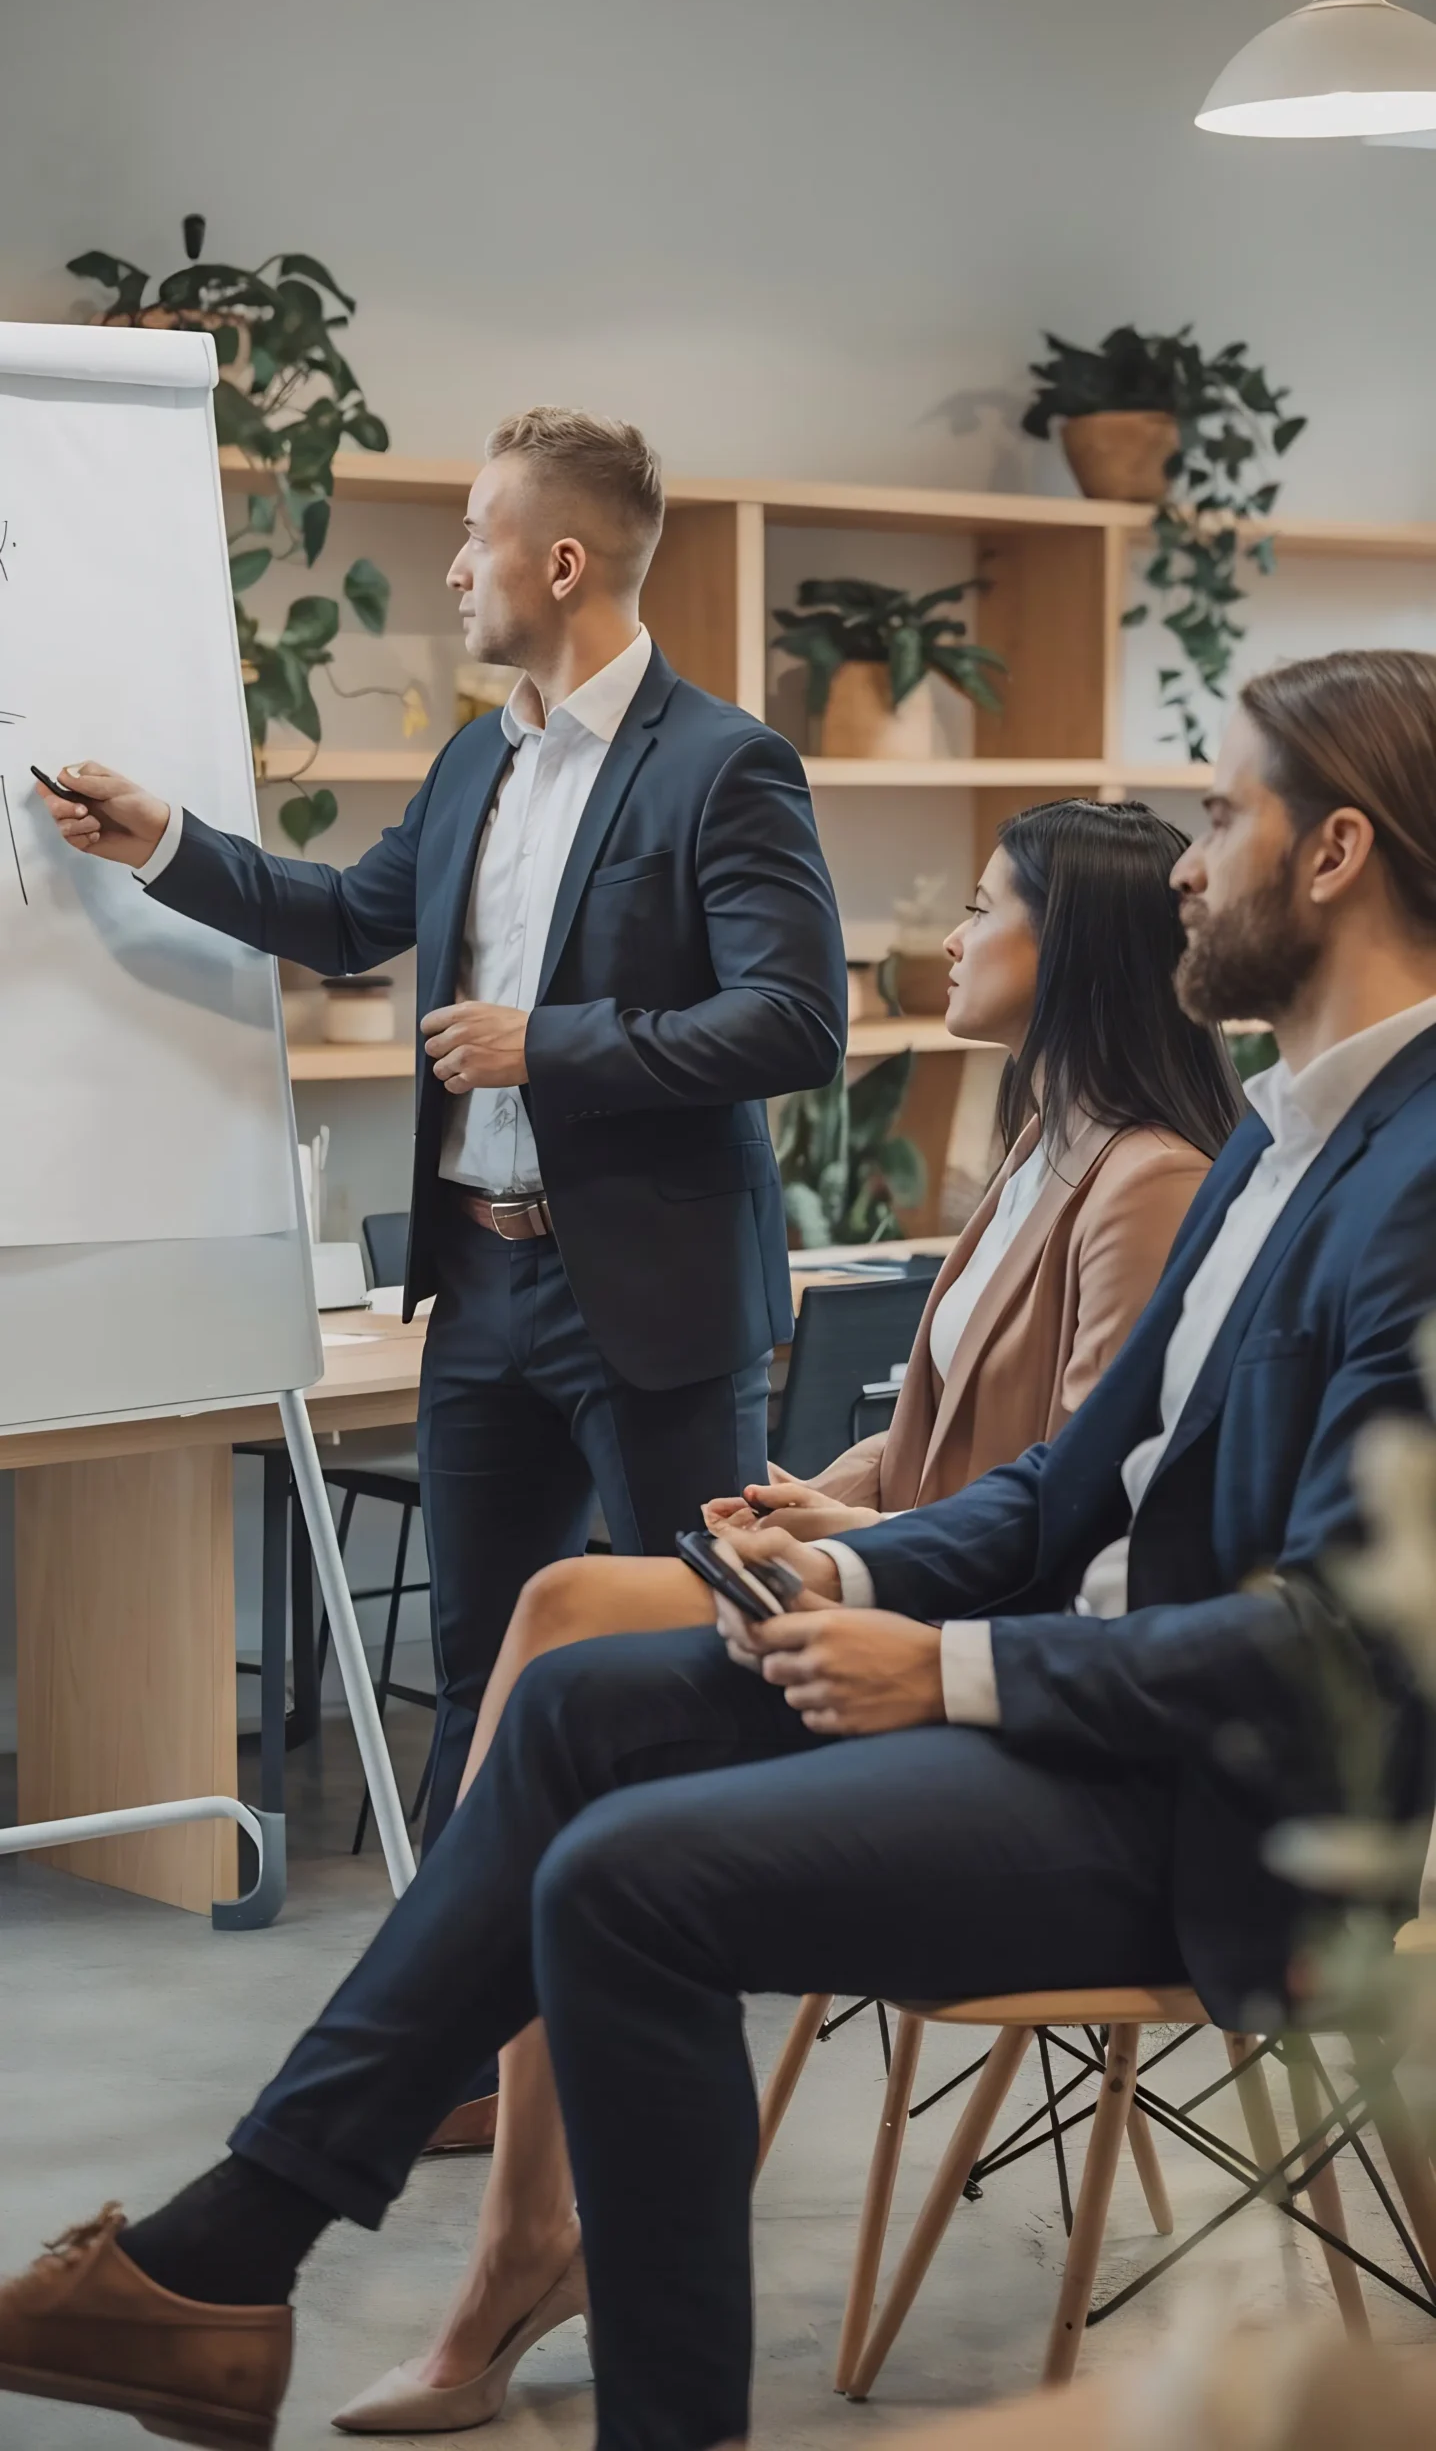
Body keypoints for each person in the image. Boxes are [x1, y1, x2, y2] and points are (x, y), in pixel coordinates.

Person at [9, 648, 1436, 2451]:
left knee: (624, 1882)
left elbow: (1340, 1644)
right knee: (573, 1706)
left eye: (1223, 814)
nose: (1180, 864)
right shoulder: (1278, 1141)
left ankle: (531, 2378)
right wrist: (856, 1572)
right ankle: (233, 2257)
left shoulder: (1413, 1174)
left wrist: (952, 1661)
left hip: (1209, 1810)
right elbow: (1076, 1488)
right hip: (1070, 1714)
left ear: (1338, 855)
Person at [328, 795, 1242, 2432]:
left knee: (560, 1627)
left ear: (1075, 949)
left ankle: (515, 2223)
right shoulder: (1044, 1143)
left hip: (999, 1650)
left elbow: (1088, 1494)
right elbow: (950, 1418)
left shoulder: (1147, 1181)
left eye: (983, 910)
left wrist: (868, 1538)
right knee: (558, 1622)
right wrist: (834, 1488)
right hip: (913, 1564)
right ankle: (519, 2221)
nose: (949, 939)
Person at [36, 403, 847, 2144]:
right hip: (481, 1297)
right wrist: (163, 841)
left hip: (658, 1308)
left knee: (687, 1665)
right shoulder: (482, 757)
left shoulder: (724, 765)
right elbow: (350, 919)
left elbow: (797, 1024)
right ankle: (488, 2056)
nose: (455, 568)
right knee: (479, 1679)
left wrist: (549, 1044)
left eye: (476, 538)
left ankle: (666, 2034)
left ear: (563, 561)